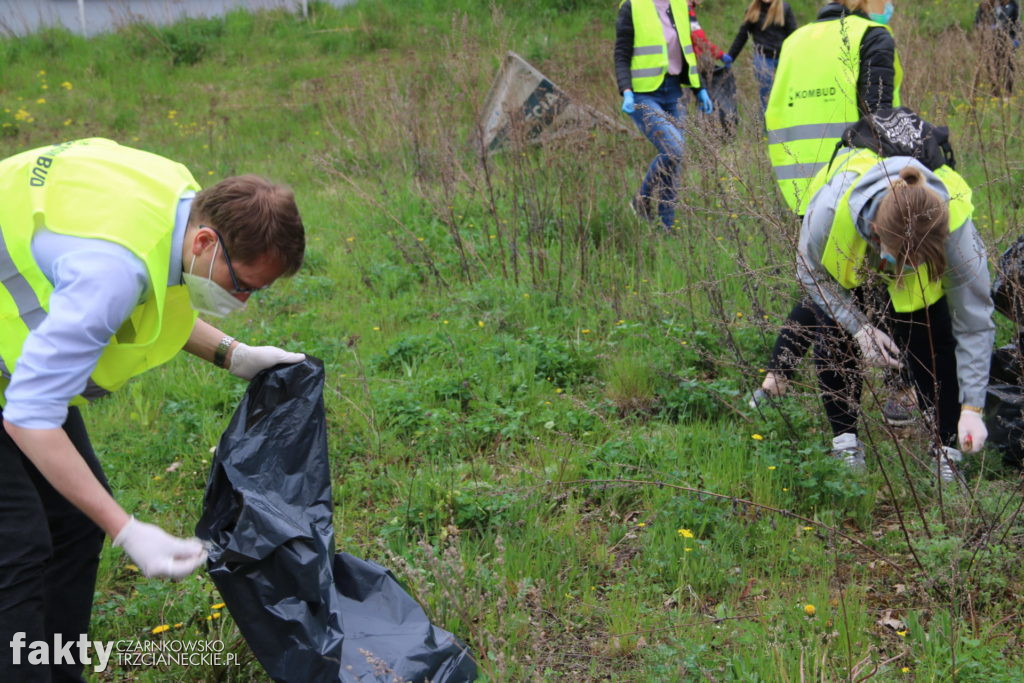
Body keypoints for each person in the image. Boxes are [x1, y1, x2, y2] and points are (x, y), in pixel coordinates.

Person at [0, 137, 306, 681]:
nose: (242, 302)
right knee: (16, 547)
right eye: (242, 286)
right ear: (207, 241)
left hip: (21, 365)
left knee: (72, 522)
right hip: (19, 390)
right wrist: (127, 529)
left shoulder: (180, 201)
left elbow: (156, 297)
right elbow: (29, 416)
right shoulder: (109, 273)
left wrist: (233, 355)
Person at [752, 0, 909, 422]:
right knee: (872, 286)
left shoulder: (795, 39)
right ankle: (900, 394)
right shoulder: (871, 36)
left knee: (825, 282)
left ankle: (775, 380)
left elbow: (774, 108)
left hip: (802, 183)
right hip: (853, 183)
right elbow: (879, 119)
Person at [796, 144, 993, 480]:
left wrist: (972, 407)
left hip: (909, 255)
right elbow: (809, 272)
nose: (907, 269)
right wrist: (860, 328)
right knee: (833, 331)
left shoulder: (955, 228)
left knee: (932, 335)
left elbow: (974, 321)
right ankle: (845, 442)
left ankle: (946, 449)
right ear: (875, 232)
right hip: (849, 253)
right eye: (905, 261)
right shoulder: (830, 211)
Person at [615, 0, 715, 232]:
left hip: (673, 92)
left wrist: (698, 88)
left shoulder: (679, 5)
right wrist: (626, 91)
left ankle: (667, 226)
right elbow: (621, 53)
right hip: (643, 95)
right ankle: (641, 200)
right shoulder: (632, 6)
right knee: (675, 149)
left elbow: (686, 52)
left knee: (674, 161)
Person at [726, 0, 799, 112]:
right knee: (766, 95)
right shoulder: (753, 10)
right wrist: (730, 57)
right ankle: (766, 127)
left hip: (783, 58)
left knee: (786, 92)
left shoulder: (784, 8)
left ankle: (785, 124)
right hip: (763, 59)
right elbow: (742, 36)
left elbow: (794, 34)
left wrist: (798, 56)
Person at [974, 0, 1020, 97]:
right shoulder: (985, 6)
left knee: (1008, 67)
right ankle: (995, 94)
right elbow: (977, 22)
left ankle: (1008, 94)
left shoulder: (1011, 5)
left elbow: (1009, 23)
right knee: (992, 67)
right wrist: (985, 28)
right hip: (990, 42)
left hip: (1007, 42)